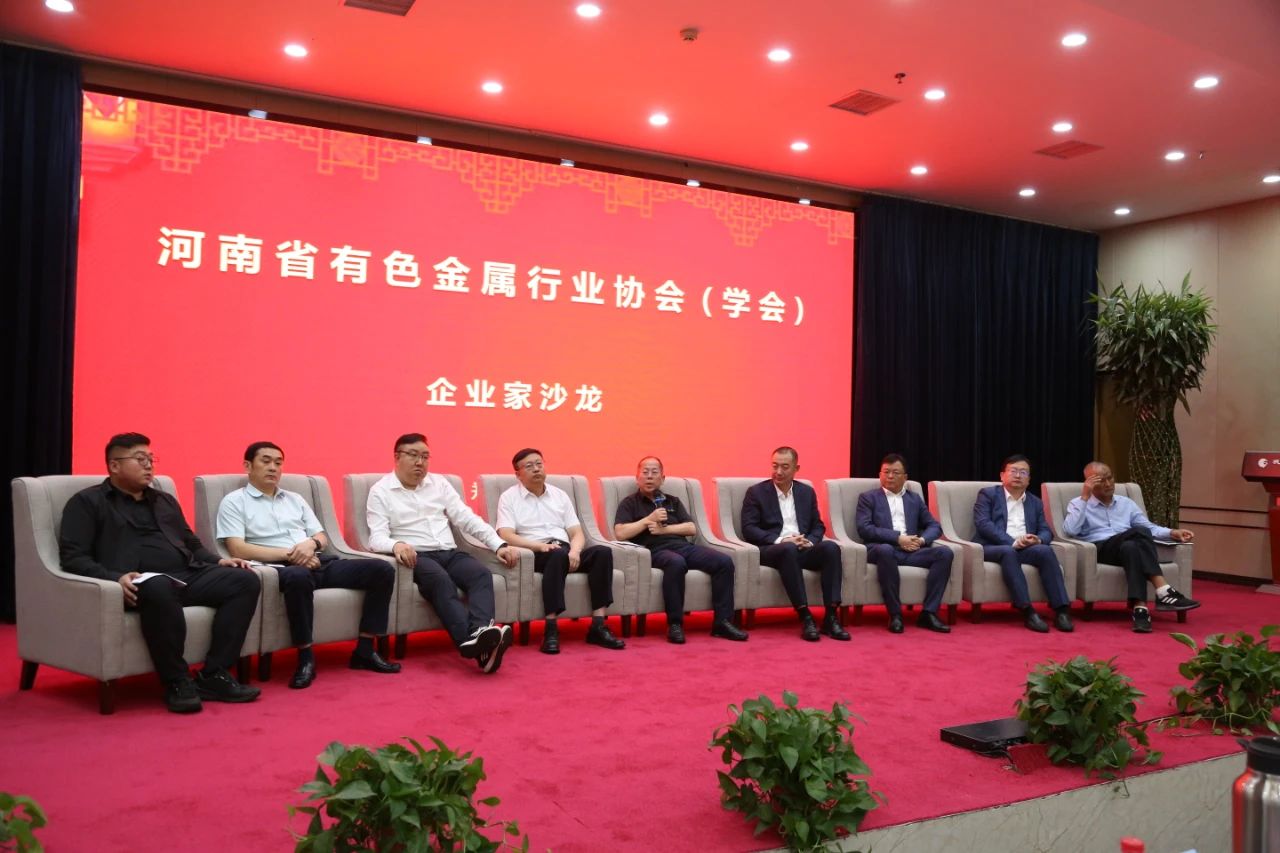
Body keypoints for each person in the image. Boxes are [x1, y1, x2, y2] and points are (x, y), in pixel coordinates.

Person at [58, 432, 261, 713]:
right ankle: (177, 681)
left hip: (186, 573)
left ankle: (215, 674)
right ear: (114, 465)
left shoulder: (164, 500)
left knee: (244, 580)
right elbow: (73, 557)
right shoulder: (88, 502)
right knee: (159, 585)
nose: (149, 465)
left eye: (151, 458)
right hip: (140, 581)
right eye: (140, 459)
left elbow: (191, 543)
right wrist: (114, 577)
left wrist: (218, 561)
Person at [216, 441, 400, 689]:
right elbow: (237, 548)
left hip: (316, 561)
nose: (273, 467)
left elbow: (321, 536)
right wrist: (292, 554)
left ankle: (365, 650)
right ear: (248, 466)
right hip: (279, 568)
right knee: (298, 577)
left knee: (382, 570)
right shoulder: (234, 501)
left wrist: (310, 545)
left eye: (278, 463)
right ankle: (305, 658)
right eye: (266, 461)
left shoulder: (295, 499)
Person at [365, 433, 520, 672]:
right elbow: (376, 537)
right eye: (413, 455)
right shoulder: (380, 491)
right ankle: (471, 642)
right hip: (418, 556)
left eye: (425, 456)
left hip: (449, 551)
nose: (420, 462)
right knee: (441, 582)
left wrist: (498, 544)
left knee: (480, 574)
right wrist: (396, 545)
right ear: (397, 457)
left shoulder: (439, 484)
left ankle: (480, 634)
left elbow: (466, 518)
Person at [495, 448, 625, 654]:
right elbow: (506, 534)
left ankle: (598, 626)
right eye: (529, 466)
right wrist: (539, 546)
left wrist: (575, 551)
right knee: (556, 554)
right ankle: (551, 629)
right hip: (535, 552)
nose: (536, 469)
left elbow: (576, 532)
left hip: (565, 551)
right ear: (518, 474)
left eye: (539, 463)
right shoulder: (509, 497)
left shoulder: (559, 495)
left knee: (602, 553)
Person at [614, 456, 748, 644]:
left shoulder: (672, 501)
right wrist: (648, 520)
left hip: (682, 546)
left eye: (654, 472)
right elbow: (620, 533)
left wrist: (665, 530)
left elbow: (691, 528)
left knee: (723, 562)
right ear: (637, 478)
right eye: (645, 472)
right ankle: (675, 624)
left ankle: (722, 623)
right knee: (676, 563)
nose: (649, 476)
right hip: (653, 550)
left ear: (662, 478)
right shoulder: (629, 503)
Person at [1062, 460, 1199, 633]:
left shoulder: (1126, 503)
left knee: (1131, 547)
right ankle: (1163, 589)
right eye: (1101, 480)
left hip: (1125, 548)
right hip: (1100, 549)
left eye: (1110, 478)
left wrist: (1172, 532)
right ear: (1089, 483)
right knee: (1138, 533)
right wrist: (1085, 496)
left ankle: (1140, 610)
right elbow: (1070, 530)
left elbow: (1148, 527)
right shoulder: (1078, 503)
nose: (1108, 484)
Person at [740, 446, 850, 641]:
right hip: (771, 549)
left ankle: (831, 617)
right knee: (788, 549)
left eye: (784, 467)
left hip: (802, 547)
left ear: (796, 469)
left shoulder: (806, 492)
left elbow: (818, 525)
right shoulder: (756, 492)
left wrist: (810, 541)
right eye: (775, 466)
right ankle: (805, 616)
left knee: (831, 548)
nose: (778, 471)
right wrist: (783, 540)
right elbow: (749, 528)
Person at [972, 455, 1075, 633]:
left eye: (1023, 472)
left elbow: (1045, 530)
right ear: (1002, 475)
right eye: (1013, 471)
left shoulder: (1035, 502)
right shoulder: (988, 495)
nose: (1018, 476)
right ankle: (1027, 611)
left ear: (1029, 479)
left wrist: (1038, 539)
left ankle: (1061, 610)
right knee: (1009, 551)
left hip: (1024, 547)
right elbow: (983, 524)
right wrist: (1013, 542)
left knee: (1045, 551)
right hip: (992, 547)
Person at [855, 453, 953, 634]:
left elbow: (934, 525)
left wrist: (921, 540)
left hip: (911, 550)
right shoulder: (868, 498)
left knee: (945, 553)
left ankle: (929, 613)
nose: (890, 476)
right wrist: (898, 538)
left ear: (905, 477)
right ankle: (895, 614)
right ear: (880, 475)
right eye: (886, 472)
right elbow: (864, 529)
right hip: (881, 549)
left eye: (895, 472)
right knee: (885, 550)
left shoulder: (914, 499)